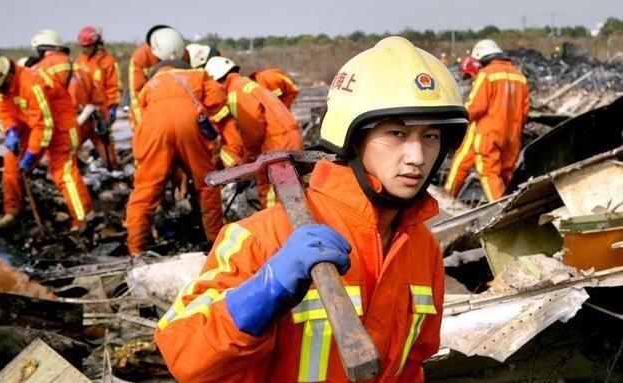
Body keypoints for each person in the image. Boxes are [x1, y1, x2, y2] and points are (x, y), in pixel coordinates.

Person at [155, 36, 469, 382]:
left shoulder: (422, 248)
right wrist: (266, 289)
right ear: (351, 138)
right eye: (396, 133)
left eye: (430, 136)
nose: (417, 157)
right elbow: (181, 351)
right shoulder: (261, 238)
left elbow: (413, 366)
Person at [125, 28, 244, 255]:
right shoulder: (198, 77)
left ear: (156, 55)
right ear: (184, 54)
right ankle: (215, 243)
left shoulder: (150, 86)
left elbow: (138, 119)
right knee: (206, 185)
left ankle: (136, 251)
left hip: (153, 130)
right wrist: (230, 150)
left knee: (146, 190)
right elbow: (219, 108)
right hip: (191, 128)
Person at [0, 54, 93, 230]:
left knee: (62, 173)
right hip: (30, 127)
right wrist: (10, 130)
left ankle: (82, 218)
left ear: (5, 78)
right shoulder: (2, 89)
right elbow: (4, 112)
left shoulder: (31, 83)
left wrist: (32, 153)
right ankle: (12, 210)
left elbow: (44, 124)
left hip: (61, 128)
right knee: (11, 165)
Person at [205, 56, 303, 207]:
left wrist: (248, 162)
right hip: (285, 138)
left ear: (217, 80)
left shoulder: (235, 93)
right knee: (293, 189)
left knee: (271, 190)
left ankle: (278, 227)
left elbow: (253, 131)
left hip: (276, 143)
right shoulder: (244, 84)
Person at [444, 39, 529, 201]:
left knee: (489, 173)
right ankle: (447, 197)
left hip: (487, 134)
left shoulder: (487, 74)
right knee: (506, 174)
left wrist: (456, 121)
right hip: (512, 137)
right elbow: (525, 112)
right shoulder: (520, 77)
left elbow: (475, 106)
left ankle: (501, 212)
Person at [74, 26, 122, 170]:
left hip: (100, 114)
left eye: (89, 46)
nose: (86, 49)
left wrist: (112, 108)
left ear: (96, 44)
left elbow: (114, 87)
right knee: (68, 148)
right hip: (82, 115)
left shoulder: (107, 62)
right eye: (84, 47)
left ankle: (114, 174)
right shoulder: (79, 61)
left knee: (108, 155)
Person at [128, 25, 188, 130]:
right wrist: (143, 125)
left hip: (178, 111)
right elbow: (136, 94)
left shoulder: (182, 53)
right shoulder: (141, 57)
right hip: (149, 111)